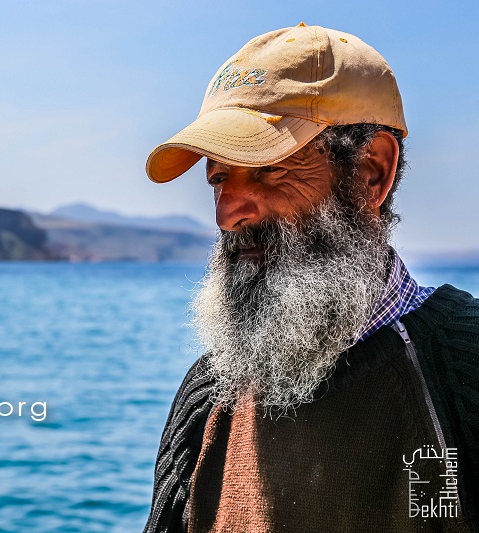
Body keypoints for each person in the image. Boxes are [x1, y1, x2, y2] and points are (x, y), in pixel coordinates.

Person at [143, 23, 479, 533]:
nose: (228, 213)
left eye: (267, 169)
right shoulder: (207, 400)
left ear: (371, 171)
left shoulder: (465, 366)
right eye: (218, 178)